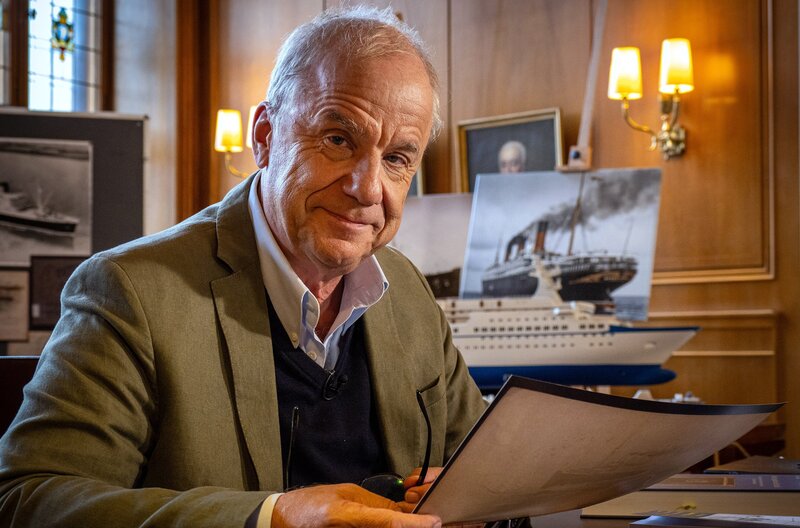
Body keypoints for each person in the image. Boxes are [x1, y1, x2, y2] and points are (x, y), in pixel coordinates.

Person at [0, 6, 486, 528]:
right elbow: (30, 500)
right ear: (265, 136)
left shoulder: (407, 289)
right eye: (338, 140)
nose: (368, 189)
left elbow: (482, 460)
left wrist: (473, 491)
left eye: (396, 159)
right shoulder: (130, 293)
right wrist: (271, 518)